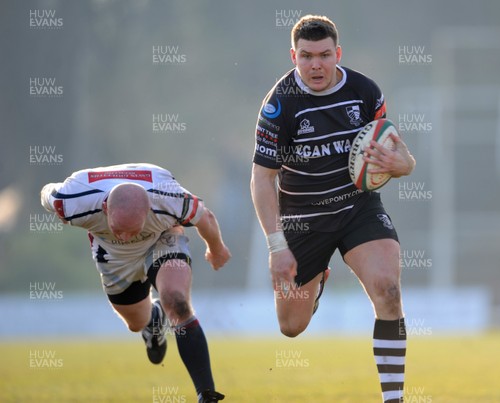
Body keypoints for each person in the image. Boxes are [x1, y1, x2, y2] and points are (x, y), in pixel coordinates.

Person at [250, 15, 415, 403]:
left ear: (337, 53)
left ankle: (394, 398)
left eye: (324, 55)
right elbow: (261, 179)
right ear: (294, 56)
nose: (316, 65)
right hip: (303, 221)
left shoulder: (363, 91)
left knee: (388, 292)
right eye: (306, 56)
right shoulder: (279, 105)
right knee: (291, 326)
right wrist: (277, 246)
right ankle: (318, 276)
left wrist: (403, 165)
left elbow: (398, 150)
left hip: (358, 208)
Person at [40, 163, 230, 403]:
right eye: (120, 229)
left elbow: (206, 217)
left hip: (162, 236)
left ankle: (207, 394)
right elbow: (47, 192)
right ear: (105, 208)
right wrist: (46, 192)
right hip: (114, 255)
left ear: (149, 209)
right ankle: (153, 319)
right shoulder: (70, 199)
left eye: (133, 230)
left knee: (177, 302)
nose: (127, 237)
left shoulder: (167, 198)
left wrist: (216, 248)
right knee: (135, 322)